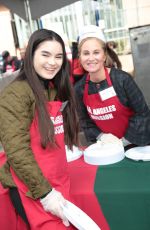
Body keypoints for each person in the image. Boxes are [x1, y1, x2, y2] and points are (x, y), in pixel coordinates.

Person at [0, 29, 80, 229]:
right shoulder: (15, 94)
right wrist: (46, 194)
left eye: (58, 56)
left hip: (57, 183)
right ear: (30, 55)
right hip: (31, 188)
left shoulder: (53, 88)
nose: (52, 62)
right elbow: (17, 151)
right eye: (45, 54)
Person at [74, 25, 150, 147]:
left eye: (96, 52)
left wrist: (123, 142)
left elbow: (142, 113)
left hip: (135, 147)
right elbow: (85, 121)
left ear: (104, 56)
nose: (91, 58)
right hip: (107, 148)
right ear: (80, 57)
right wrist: (101, 136)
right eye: (86, 53)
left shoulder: (122, 80)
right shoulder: (79, 89)